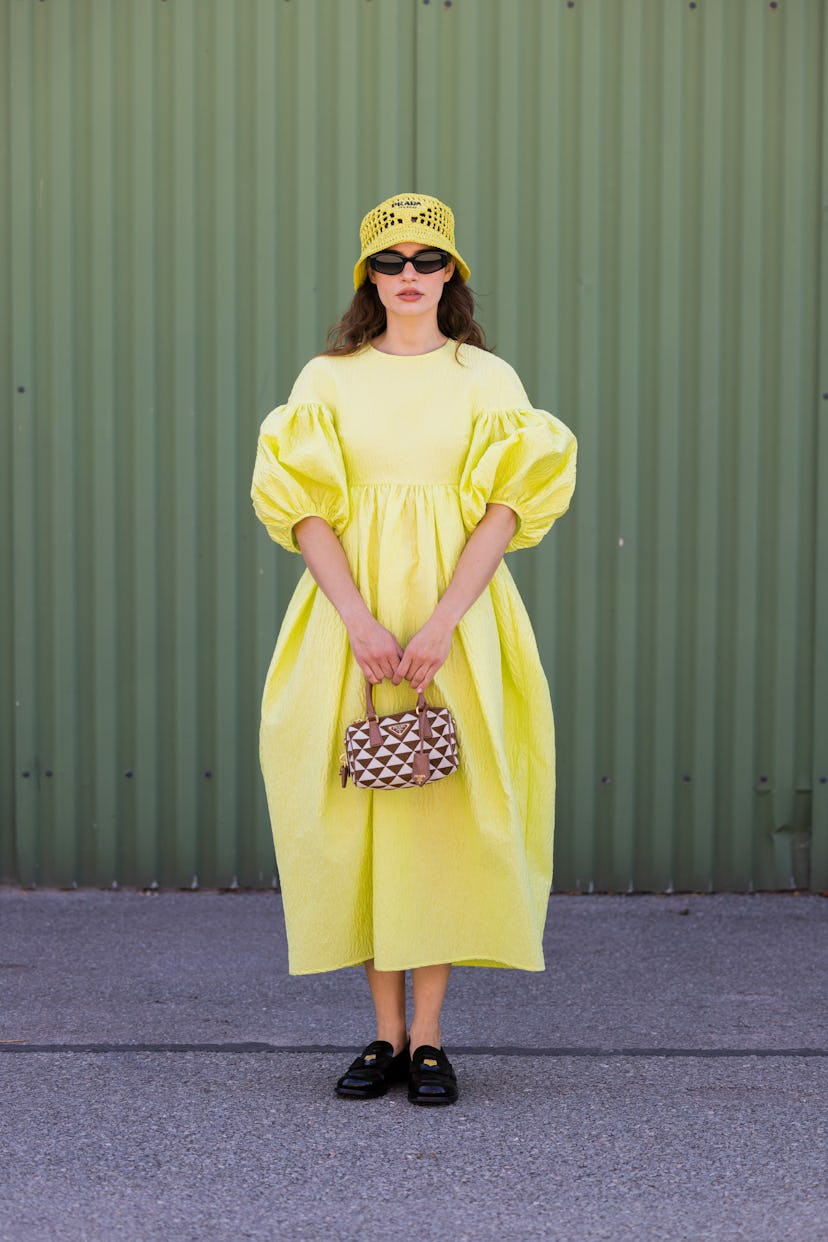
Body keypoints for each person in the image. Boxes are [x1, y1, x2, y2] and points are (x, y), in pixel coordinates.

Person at [251, 192, 577, 1106]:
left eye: (426, 260)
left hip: (457, 618)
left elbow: (506, 509)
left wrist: (442, 623)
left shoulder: (488, 378)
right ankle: (383, 1036)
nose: (408, 276)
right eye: (388, 262)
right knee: (361, 819)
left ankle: (429, 1039)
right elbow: (305, 506)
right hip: (345, 618)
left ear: (452, 274)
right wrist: (357, 618)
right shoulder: (327, 379)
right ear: (368, 276)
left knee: (436, 817)